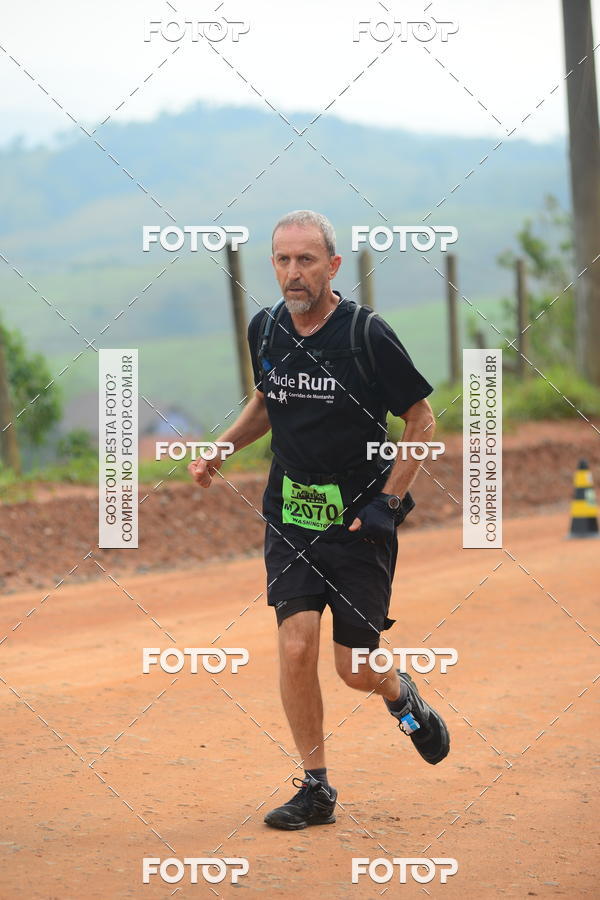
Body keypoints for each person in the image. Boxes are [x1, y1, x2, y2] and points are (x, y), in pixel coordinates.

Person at [189, 210, 450, 831]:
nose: (293, 272)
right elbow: (267, 402)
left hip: (359, 522)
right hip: (291, 514)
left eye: (306, 260)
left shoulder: (365, 334)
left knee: (355, 668)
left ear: (332, 266)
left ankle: (402, 696)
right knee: (295, 644)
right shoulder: (266, 329)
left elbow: (421, 419)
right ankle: (316, 787)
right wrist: (222, 447)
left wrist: (388, 503)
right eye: (282, 260)